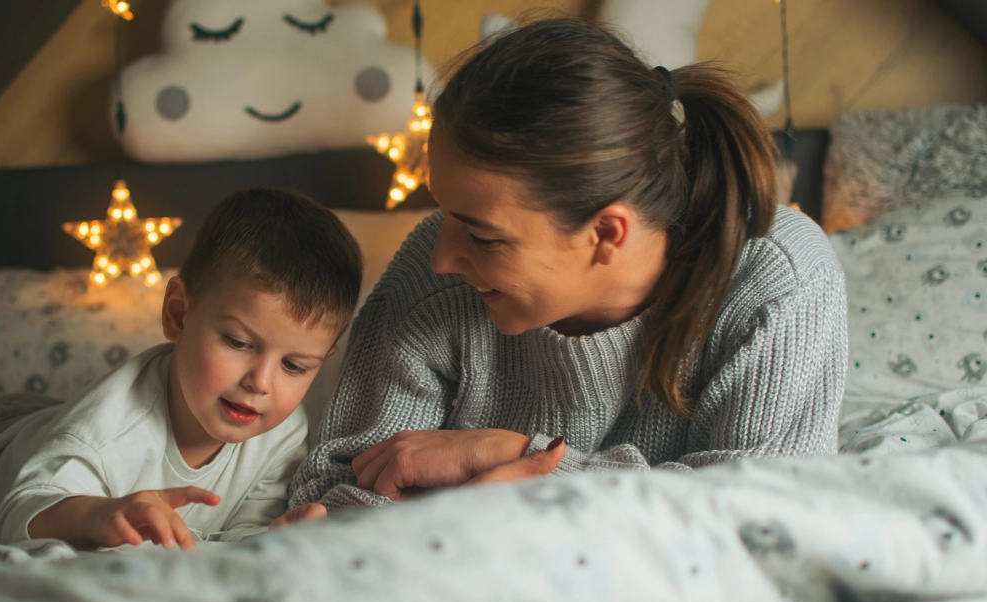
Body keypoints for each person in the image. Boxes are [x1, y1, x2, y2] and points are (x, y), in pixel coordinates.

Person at [279, 18, 846, 525]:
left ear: (606, 234)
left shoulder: (779, 279)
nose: (442, 257)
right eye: (443, 213)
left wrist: (515, 461)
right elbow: (326, 493)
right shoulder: (439, 275)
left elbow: (768, 519)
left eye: (483, 235)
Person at [0, 187, 363, 549]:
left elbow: (237, 536)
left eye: (295, 364)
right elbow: (23, 511)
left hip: (38, 422)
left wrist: (273, 541)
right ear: (178, 314)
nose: (261, 382)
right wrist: (99, 516)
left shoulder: (283, 433)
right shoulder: (112, 423)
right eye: (238, 342)